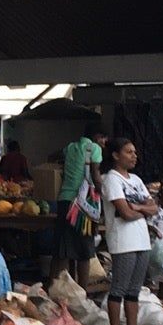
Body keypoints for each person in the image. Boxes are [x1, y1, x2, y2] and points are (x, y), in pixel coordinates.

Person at [101, 136, 156, 325]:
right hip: (123, 240)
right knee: (119, 289)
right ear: (115, 155)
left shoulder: (136, 180)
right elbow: (125, 212)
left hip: (142, 239)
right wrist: (141, 209)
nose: (134, 156)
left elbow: (153, 207)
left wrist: (137, 207)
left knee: (134, 292)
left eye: (134, 152)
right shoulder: (111, 180)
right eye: (129, 152)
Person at [51, 120, 107, 286]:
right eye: (104, 138)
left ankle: (56, 288)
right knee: (84, 249)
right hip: (82, 205)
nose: (105, 142)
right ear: (97, 136)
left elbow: (53, 156)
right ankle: (82, 291)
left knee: (63, 249)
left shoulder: (70, 147)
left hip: (64, 200)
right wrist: (106, 193)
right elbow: (95, 175)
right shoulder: (94, 148)